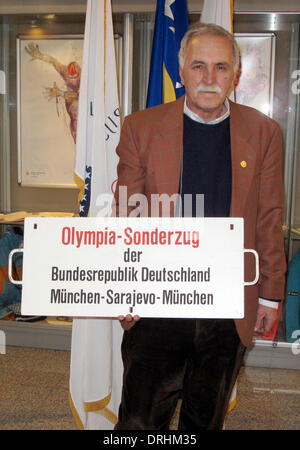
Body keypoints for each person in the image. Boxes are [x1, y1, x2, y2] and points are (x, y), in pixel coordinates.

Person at [113, 22, 287, 430]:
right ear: (181, 73)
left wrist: (270, 296)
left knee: (204, 421)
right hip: (156, 302)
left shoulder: (263, 133)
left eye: (221, 67)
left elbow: (268, 217)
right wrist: (122, 285)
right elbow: (127, 215)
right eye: (198, 66)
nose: (209, 78)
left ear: (236, 75)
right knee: (140, 422)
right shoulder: (142, 128)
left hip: (227, 307)